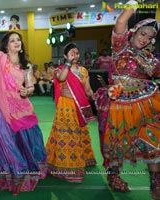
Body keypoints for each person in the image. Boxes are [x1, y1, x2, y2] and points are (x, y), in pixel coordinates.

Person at [0, 17, 47, 195]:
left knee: (28, 140)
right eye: (12, 40)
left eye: (18, 39)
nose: (16, 42)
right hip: (2, 109)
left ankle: (28, 169)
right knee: (8, 144)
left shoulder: (26, 66)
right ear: (6, 46)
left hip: (22, 109)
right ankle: (15, 174)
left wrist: (27, 91)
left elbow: (30, 86)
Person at [94, 0, 160, 198]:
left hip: (145, 103)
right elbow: (120, 23)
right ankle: (114, 176)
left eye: (150, 37)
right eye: (143, 34)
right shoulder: (121, 47)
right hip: (118, 105)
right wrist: (132, 6)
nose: (145, 39)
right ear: (134, 32)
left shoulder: (151, 58)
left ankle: (156, 182)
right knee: (115, 145)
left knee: (154, 141)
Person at [45, 42, 96, 183]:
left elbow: (87, 90)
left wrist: (94, 95)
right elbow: (62, 78)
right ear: (65, 56)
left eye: (77, 52)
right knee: (68, 135)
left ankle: (83, 160)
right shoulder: (59, 70)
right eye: (72, 53)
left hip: (80, 106)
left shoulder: (83, 71)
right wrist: (68, 63)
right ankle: (66, 168)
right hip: (66, 107)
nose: (75, 55)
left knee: (79, 134)